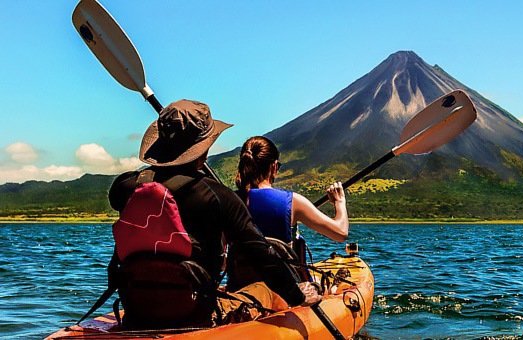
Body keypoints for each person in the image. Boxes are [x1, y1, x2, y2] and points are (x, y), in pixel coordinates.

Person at [107, 99, 320, 328]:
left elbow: (120, 194)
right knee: (264, 289)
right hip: (193, 314)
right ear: (204, 150)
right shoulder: (219, 197)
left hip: (137, 307)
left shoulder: (126, 187)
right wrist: (298, 295)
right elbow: (263, 256)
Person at [227, 136, 349, 290]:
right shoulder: (292, 201)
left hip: (240, 290)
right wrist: (339, 202)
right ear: (274, 167)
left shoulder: (228, 201)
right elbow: (340, 232)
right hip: (285, 295)